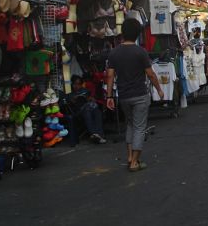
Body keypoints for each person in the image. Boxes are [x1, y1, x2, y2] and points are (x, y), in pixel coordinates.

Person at [106, 18, 164, 172]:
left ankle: (130, 156)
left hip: (124, 95)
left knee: (130, 125)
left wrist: (109, 96)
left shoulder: (114, 52)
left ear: (123, 33)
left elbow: (110, 76)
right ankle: (134, 163)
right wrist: (159, 89)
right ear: (138, 33)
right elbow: (150, 74)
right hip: (139, 94)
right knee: (139, 127)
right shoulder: (140, 52)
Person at [66, 76, 107, 145]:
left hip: (88, 111)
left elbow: (91, 99)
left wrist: (91, 99)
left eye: (79, 84)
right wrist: (73, 100)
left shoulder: (85, 91)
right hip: (78, 113)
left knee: (96, 111)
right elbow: (70, 104)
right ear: (72, 84)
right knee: (89, 108)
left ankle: (98, 135)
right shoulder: (70, 94)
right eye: (75, 84)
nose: (76, 86)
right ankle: (98, 134)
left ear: (81, 84)